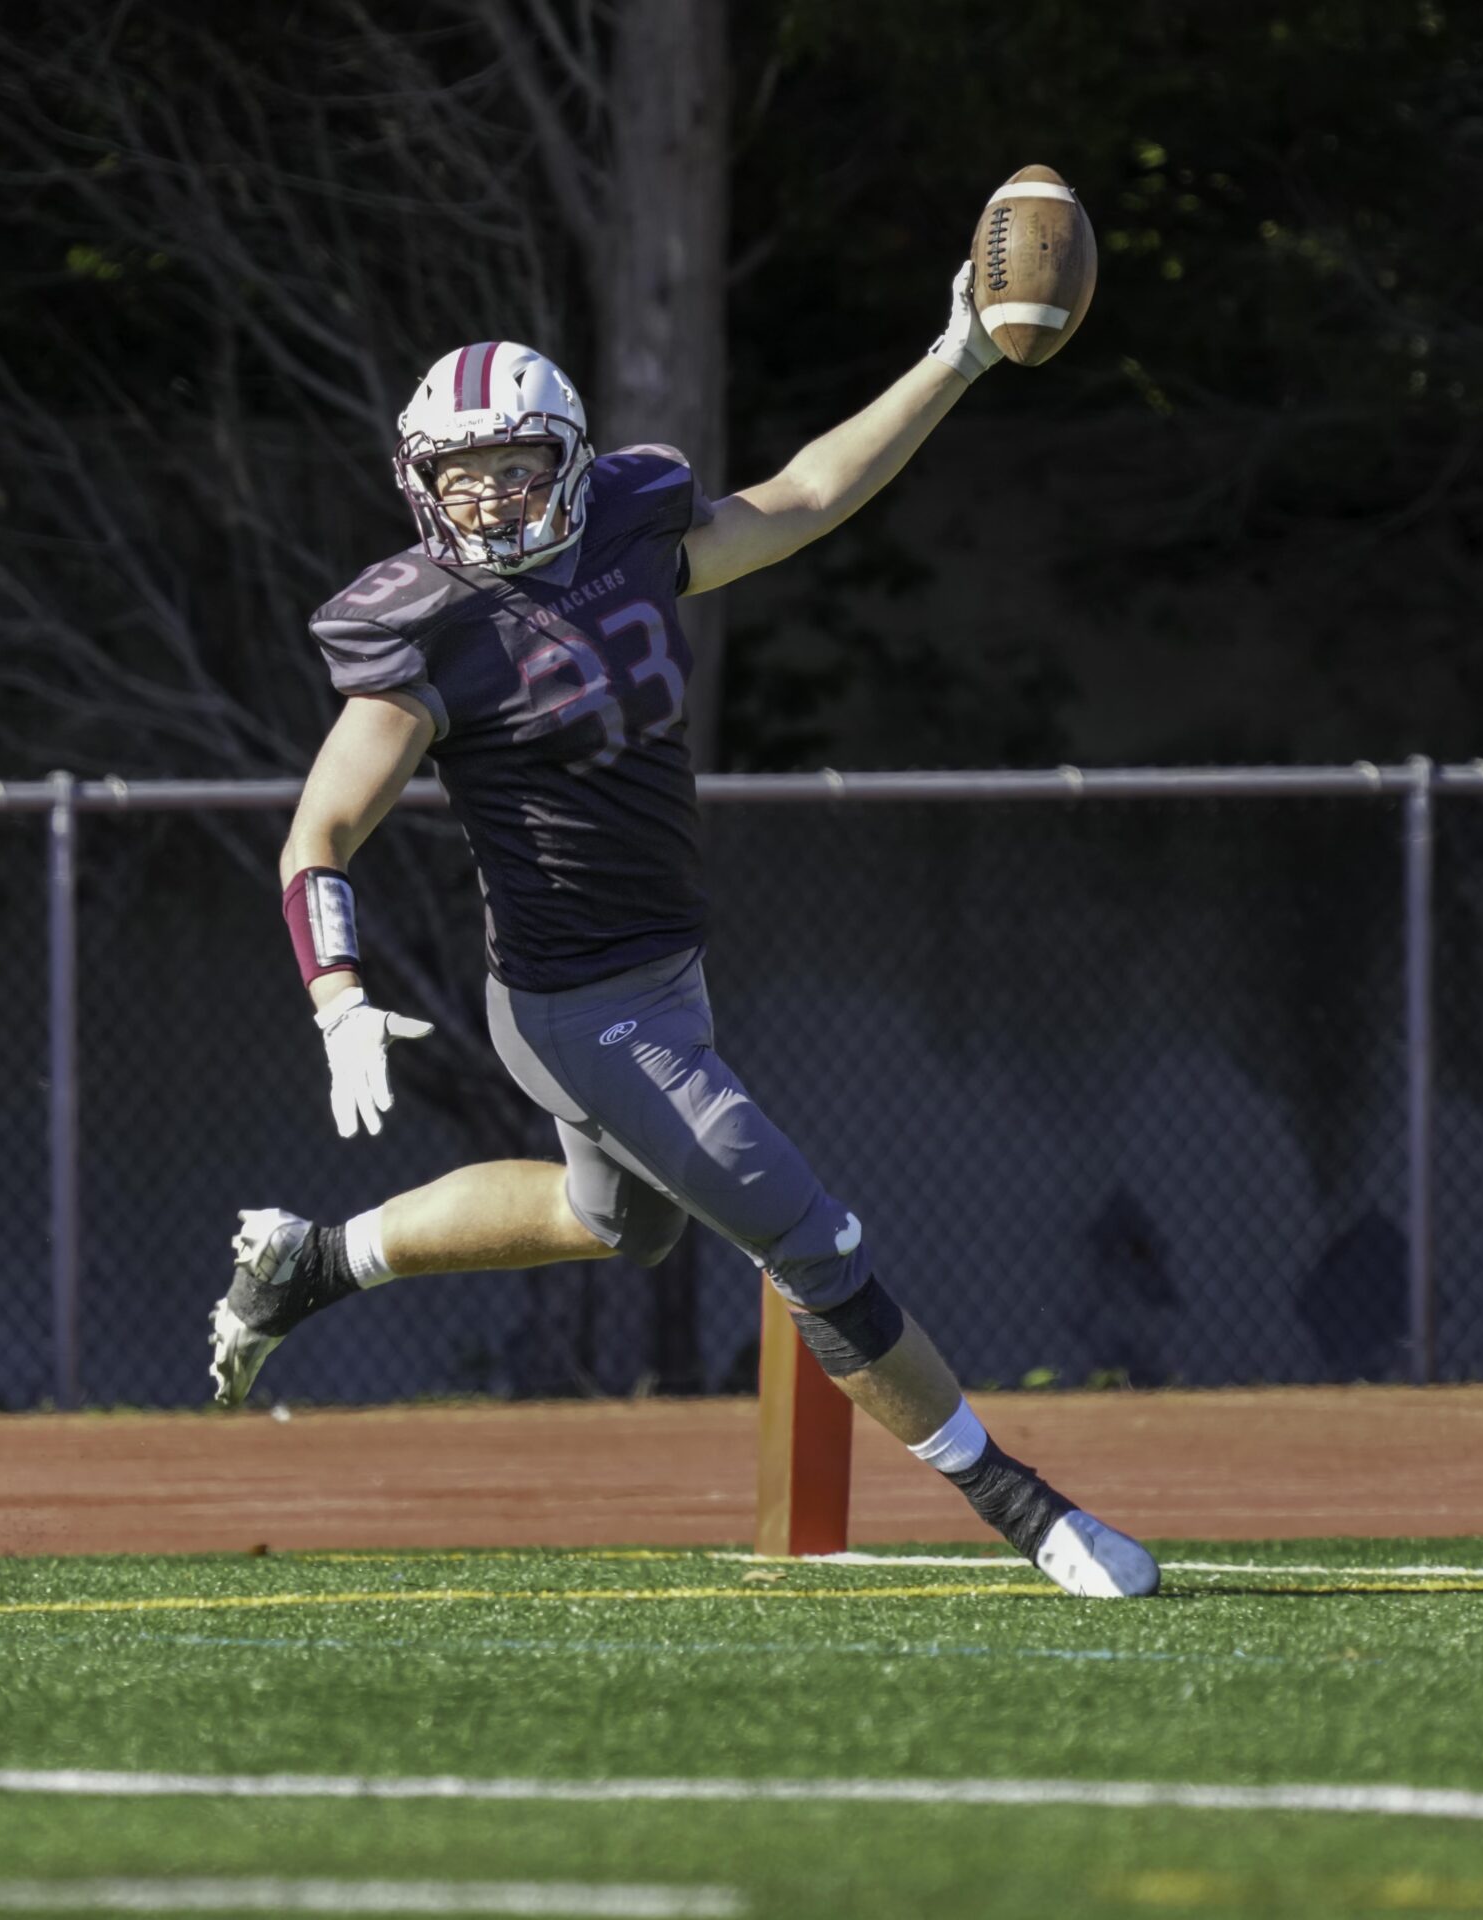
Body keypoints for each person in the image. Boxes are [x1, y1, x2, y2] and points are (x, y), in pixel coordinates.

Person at [208, 267, 1159, 1599]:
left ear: (573, 464)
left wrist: (954, 355)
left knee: (619, 1227)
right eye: (460, 471)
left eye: (512, 464)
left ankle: (319, 1260)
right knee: (813, 1242)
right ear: (420, 478)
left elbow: (807, 499)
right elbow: (321, 834)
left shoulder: (632, 534)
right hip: (575, 1003)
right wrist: (337, 995)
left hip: (665, 974)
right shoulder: (424, 627)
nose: (485, 495)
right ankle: (1029, 1511)